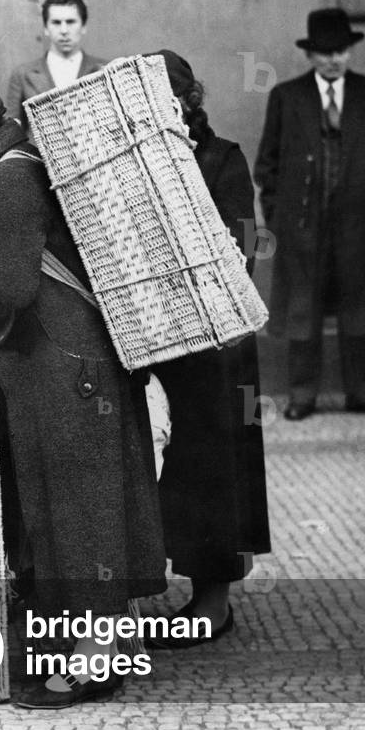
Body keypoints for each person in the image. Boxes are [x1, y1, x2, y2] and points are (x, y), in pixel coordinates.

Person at [0, 72, 166, 709]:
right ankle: (91, 646)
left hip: (67, 365)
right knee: (68, 507)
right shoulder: (1, 165)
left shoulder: (8, 176)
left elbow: (13, 281)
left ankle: (95, 665)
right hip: (54, 361)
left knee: (85, 513)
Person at [144, 51, 271, 647]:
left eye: (167, 97)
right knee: (177, 469)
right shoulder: (140, 165)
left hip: (218, 346)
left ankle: (212, 602)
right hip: (160, 343)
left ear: (189, 99)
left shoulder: (221, 159)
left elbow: (239, 251)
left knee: (215, 470)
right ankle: (188, 592)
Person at [254, 8, 365, 421]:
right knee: (301, 311)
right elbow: (267, 166)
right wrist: (280, 222)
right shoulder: (287, 97)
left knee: (359, 308)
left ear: (350, 52)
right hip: (302, 227)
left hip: (357, 225)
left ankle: (363, 392)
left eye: (341, 51)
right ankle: (302, 395)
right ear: (311, 55)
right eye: (325, 52)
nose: (334, 59)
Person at [5, 0, 106, 135]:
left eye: (71, 22)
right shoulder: (22, 74)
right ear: (46, 28)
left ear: (83, 26)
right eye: (56, 22)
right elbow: (11, 133)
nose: (64, 30)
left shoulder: (104, 70)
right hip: (39, 157)